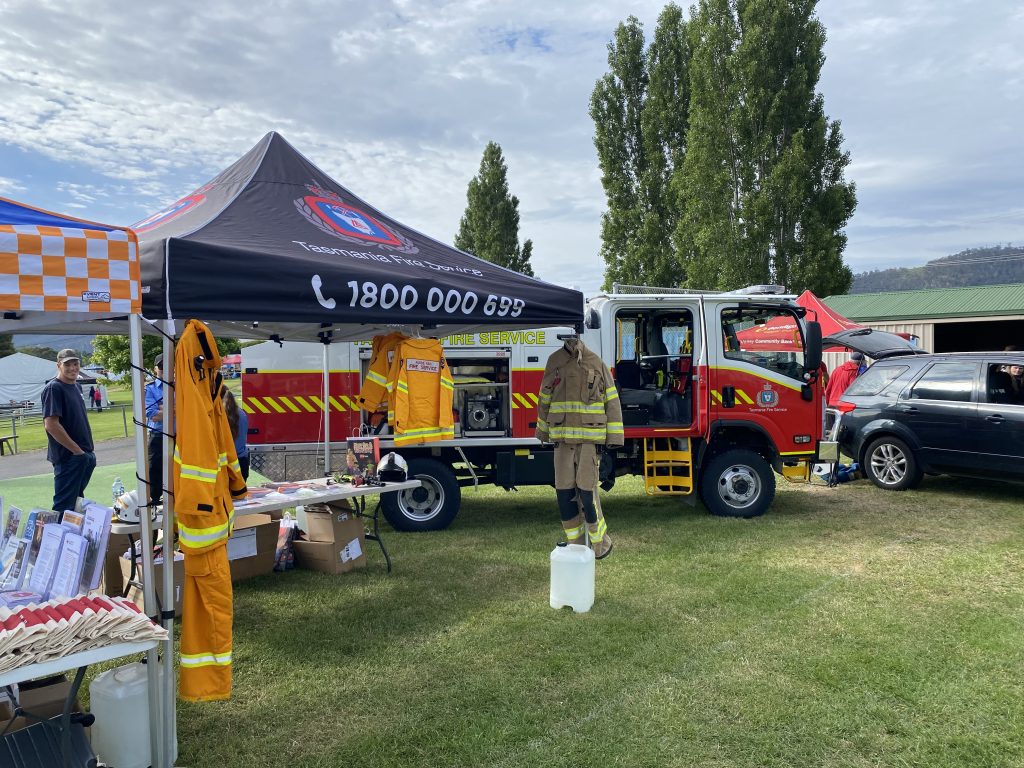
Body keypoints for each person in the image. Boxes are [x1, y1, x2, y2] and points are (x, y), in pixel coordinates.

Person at [536, 335, 623, 559]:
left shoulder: (595, 362)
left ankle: (600, 544)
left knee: (587, 493)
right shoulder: (554, 361)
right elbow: (544, 397)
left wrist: (614, 437)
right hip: (562, 441)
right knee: (564, 494)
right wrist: (543, 431)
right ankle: (575, 543)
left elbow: (611, 400)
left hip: (588, 442)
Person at [42, 349, 96, 515]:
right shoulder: (54, 388)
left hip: (82, 456)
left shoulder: (76, 386)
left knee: (76, 503)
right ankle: (56, 539)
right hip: (69, 458)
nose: (73, 368)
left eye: (76, 364)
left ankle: (73, 541)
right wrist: (77, 451)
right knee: (63, 506)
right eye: (67, 364)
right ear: (58, 365)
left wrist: (85, 454)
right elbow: (51, 424)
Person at [145, 354, 165, 508]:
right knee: (155, 476)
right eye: (162, 366)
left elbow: (190, 411)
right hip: (158, 437)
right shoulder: (150, 389)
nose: (165, 369)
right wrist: (177, 409)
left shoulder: (183, 387)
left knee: (178, 475)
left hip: (180, 437)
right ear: (155, 369)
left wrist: (163, 409)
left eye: (169, 365)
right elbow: (153, 416)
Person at [222, 388, 249, 481]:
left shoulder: (219, 416)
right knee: (240, 494)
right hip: (242, 462)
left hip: (226, 465)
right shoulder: (242, 414)